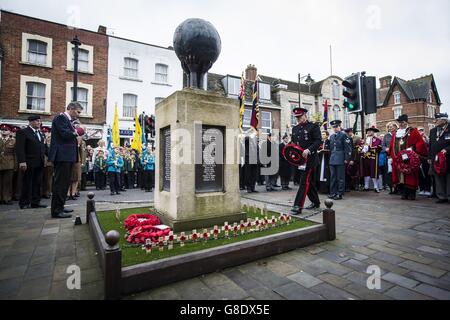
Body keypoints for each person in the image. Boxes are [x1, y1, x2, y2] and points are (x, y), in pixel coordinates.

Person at [49, 102, 84, 218]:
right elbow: (65, 134)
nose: (78, 115)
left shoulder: (67, 120)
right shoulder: (60, 118)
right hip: (62, 156)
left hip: (67, 156)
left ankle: (60, 206)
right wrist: (78, 131)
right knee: (60, 183)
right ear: (70, 108)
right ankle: (56, 210)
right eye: (77, 112)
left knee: (64, 183)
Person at [389, 114, 428, 200]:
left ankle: (411, 194)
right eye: (399, 122)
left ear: (406, 122)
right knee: (400, 176)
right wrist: (392, 156)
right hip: (398, 159)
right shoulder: (396, 133)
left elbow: (420, 143)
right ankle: (403, 193)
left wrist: (413, 150)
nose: (400, 124)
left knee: (410, 176)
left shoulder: (412, 131)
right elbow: (392, 145)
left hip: (409, 159)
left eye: (402, 122)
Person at [290, 107, 322, 215]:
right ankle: (316, 202)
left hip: (310, 160)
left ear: (305, 115)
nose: (298, 119)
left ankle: (297, 205)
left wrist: (309, 149)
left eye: (300, 117)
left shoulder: (313, 126)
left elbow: (318, 141)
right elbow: (294, 143)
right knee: (308, 182)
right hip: (300, 161)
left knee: (304, 182)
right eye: (296, 117)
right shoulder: (295, 129)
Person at [15, 115, 47, 209]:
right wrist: (22, 161)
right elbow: (20, 148)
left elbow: (44, 148)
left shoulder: (41, 133)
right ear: (31, 122)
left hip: (39, 162)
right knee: (27, 183)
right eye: (37, 121)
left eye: (40, 121)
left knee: (37, 183)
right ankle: (24, 202)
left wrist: (52, 157)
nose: (39, 123)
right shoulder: (23, 132)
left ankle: (35, 202)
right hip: (28, 162)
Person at [428, 113, 450, 203]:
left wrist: (446, 150)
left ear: (444, 120)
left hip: (447, 158)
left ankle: (449, 196)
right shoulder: (433, 131)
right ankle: (441, 196)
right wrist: (429, 157)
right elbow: (430, 145)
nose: (435, 121)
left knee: (448, 177)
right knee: (438, 176)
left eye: (437, 119)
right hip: (435, 158)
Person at [328, 120, 353, 200]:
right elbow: (331, 148)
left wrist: (347, 159)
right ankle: (333, 192)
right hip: (333, 158)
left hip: (340, 158)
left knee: (340, 177)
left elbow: (348, 148)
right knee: (333, 177)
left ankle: (339, 193)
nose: (335, 128)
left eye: (336, 127)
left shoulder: (344, 135)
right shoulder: (331, 136)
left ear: (339, 127)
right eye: (334, 127)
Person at [358, 127, 383, 193]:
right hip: (365, 158)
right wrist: (361, 149)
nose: (369, 132)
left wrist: (369, 148)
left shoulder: (377, 140)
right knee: (366, 172)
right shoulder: (363, 140)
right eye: (368, 131)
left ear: (373, 132)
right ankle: (366, 186)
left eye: (370, 131)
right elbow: (359, 147)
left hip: (373, 158)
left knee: (373, 172)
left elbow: (379, 147)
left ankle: (375, 187)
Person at [0, 124, 16, 205]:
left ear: (9, 131)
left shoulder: (13, 141)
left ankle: (7, 198)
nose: (3, 131)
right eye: (2, 130)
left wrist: (15, 166)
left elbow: (15, 154)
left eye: (6, 130)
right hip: (0, 164)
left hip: (9, 164)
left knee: (8, 182)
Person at [383, 122, 398, 194]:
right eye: (388, 127)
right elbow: (383, 145)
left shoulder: (398, 134)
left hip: (396, 155)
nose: (390, 128)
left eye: (391, 127)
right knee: (389, 172)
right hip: (389, 156)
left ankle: (397, 188)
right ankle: (391, 188)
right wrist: (386, 149)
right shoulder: (386, 136)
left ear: (395, 127)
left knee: (397, 172)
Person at [417, 127, 432, 197]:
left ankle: (428, 189)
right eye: (419, 131)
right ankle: (422, 189)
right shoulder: (416, 140)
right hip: (418, 158)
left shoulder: (426, 138)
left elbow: (430, 145)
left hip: (426, 158)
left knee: (426, 174)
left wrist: (426, 138)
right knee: (420, 174)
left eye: (421, 130)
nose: (420, 132)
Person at [41, 127, 53, 199]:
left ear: (49, 133)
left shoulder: (52, 140)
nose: (44, 133)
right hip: (41, 161)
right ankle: (41, 192)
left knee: (48, 179)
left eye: (46, 132)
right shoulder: (41, 139)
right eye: (43, 132)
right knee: (41, 178)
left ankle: (48, 192)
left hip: (49, 162)